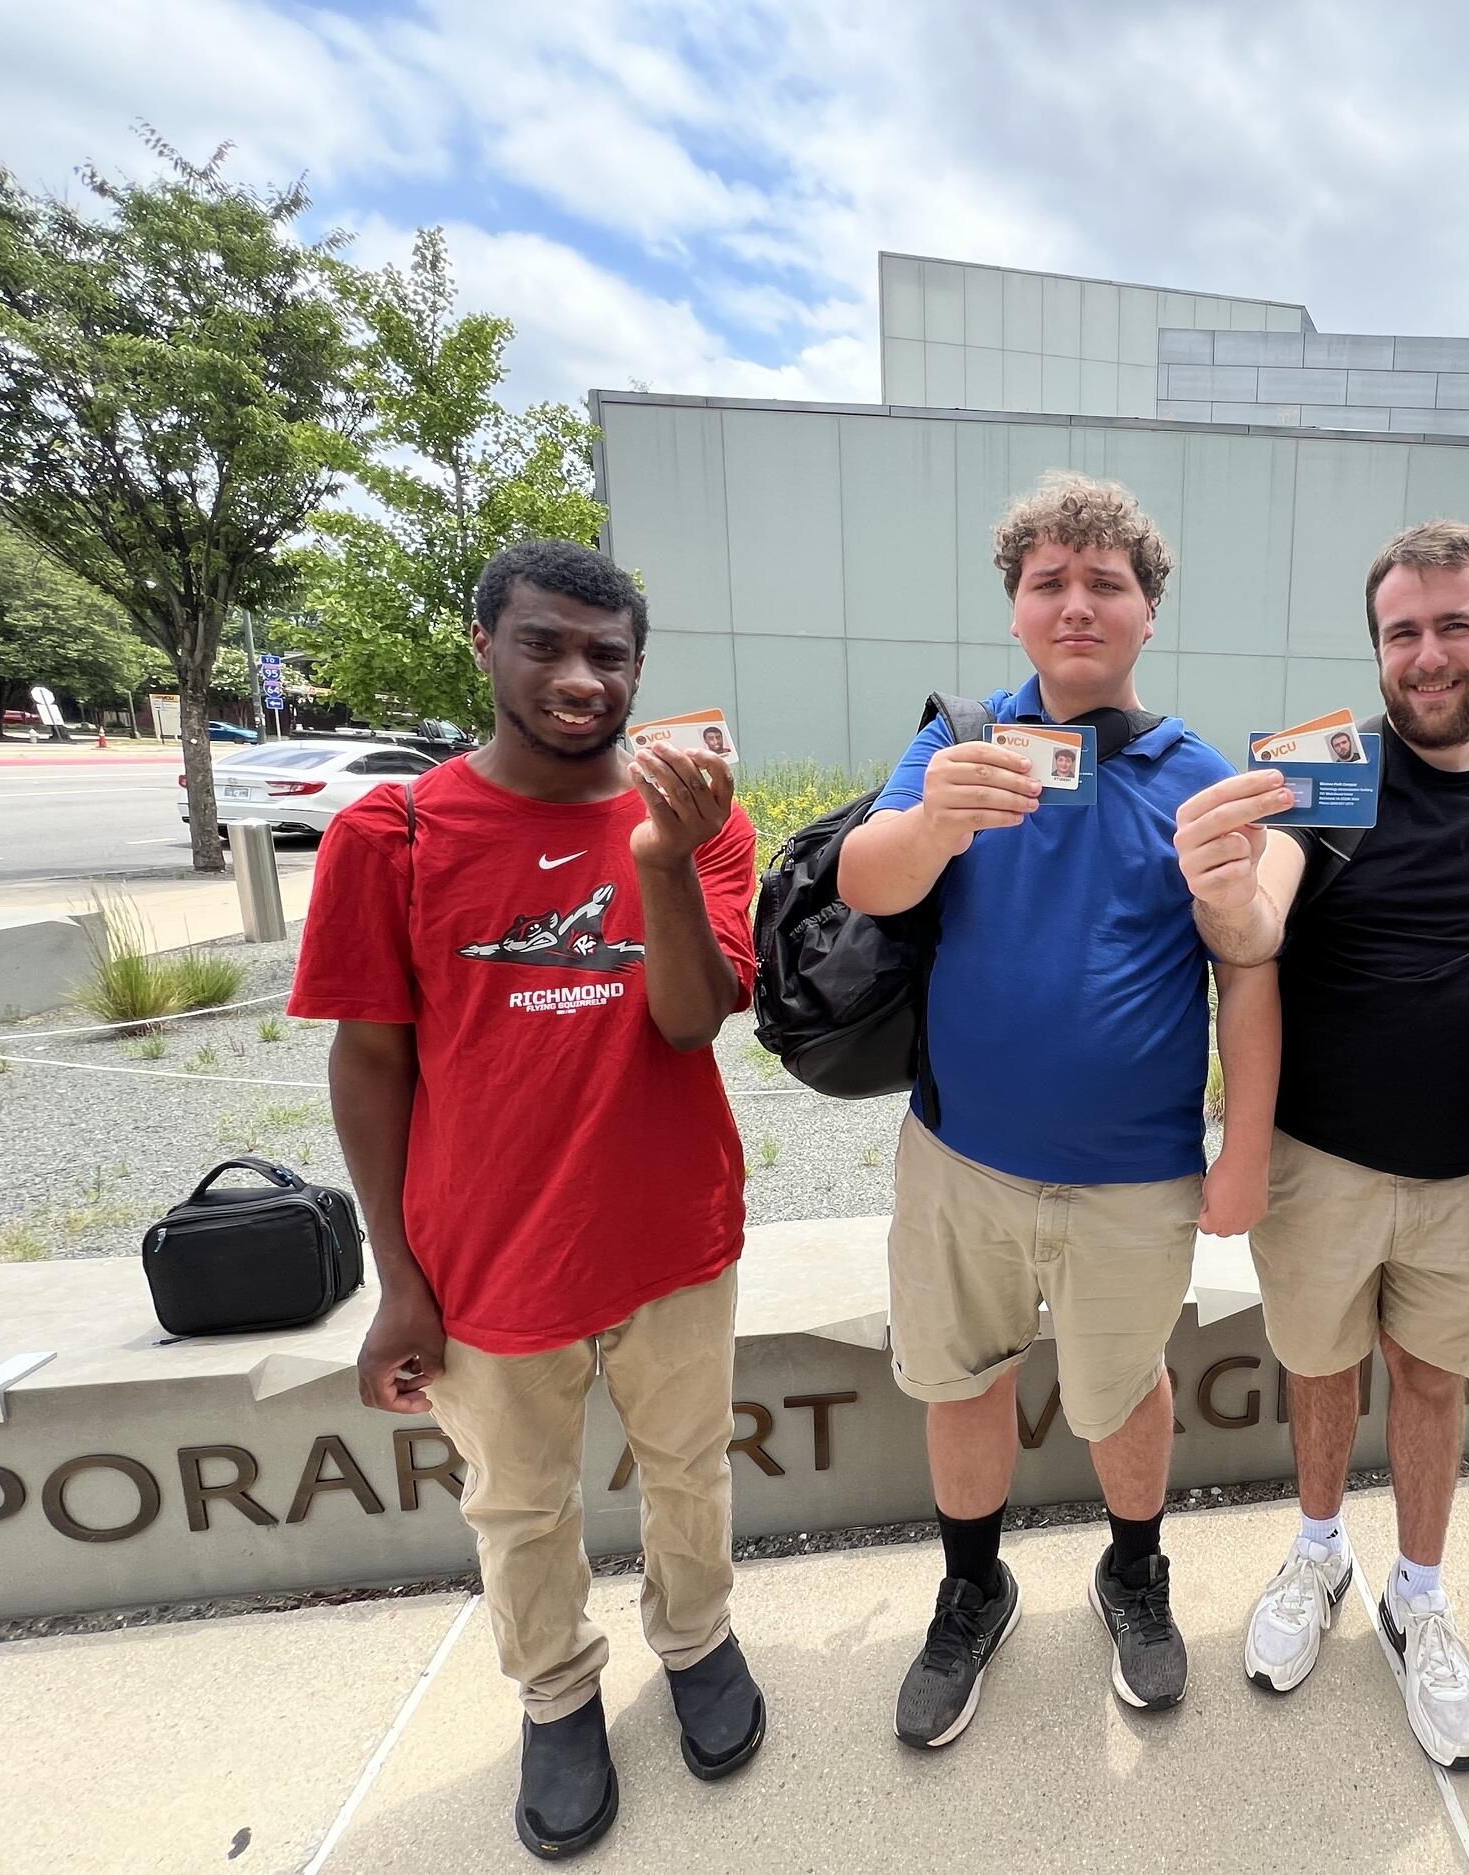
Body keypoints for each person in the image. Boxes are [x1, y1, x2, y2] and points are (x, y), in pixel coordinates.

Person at [295, 539, 768, 1861]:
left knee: (688, 1465)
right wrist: (397, 1276)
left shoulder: (706, 819)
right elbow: (372, 1058)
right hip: (485, 1251)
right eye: (546, 643)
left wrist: (667, 856)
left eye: (606, 654)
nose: (578, 676)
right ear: (483, 642)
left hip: (673, 1230)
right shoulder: (385, 833)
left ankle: (696, 1639)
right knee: (518, 1501)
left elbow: (689, 1021)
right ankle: (557, 1691)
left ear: (638, 669)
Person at [838, 472, 1279, 1748]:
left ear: (1148, 613)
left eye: (1106, 584)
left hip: (1135, 1176)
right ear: (1017, 612)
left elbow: (1245, 964)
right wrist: (933, 826)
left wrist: (1237, 1152)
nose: (1077, 604)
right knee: (959, 1383)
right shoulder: (960, 740)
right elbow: (868, 882)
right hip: (959, 1156)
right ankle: (972, 1585)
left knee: (1123, 1388)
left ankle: (1131, 1567)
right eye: (1050, 584)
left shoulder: (1195, 774)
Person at [1173, 519, 1469, 1772]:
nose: (1426, 654)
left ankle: (1419, 1590)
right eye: (1402, 631)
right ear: (1376, 646)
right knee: (1318, 1369)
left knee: (1429, 1381)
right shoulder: (1327, 768)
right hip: (1322, 1162)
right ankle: (1317, 1554)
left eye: (1453, 626)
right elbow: (1262, 915)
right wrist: (1224, 896)